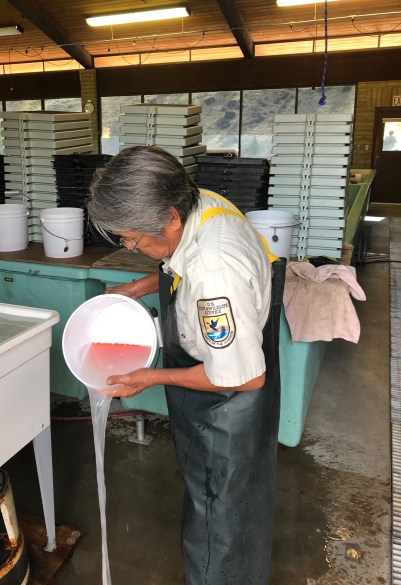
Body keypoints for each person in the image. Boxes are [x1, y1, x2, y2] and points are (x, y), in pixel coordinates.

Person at [87, 146, 283, 585]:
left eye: (133, 239)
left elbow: (244, 375)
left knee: (220, 516)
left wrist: (149, 377)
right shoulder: (201, 202)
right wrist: (138, 287)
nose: (131, 247)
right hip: (223, 369)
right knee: (225, 502)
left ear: (170, 216)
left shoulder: (215, 272)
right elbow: (180, 264)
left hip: (229, 403)